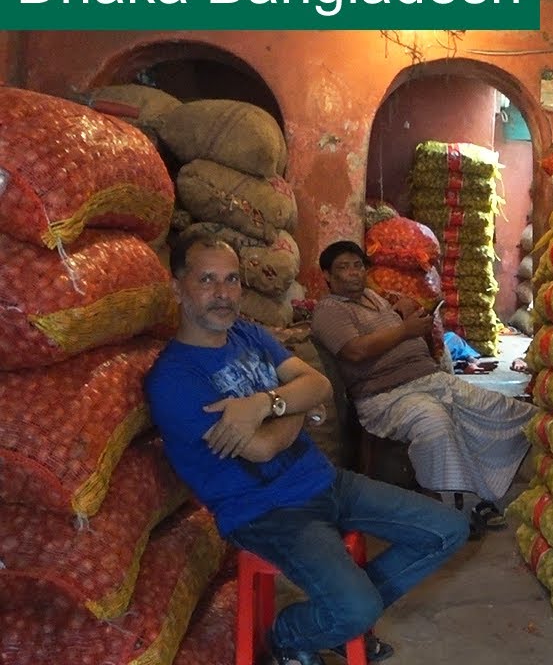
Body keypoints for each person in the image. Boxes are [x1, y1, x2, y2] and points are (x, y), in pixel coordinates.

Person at [144, 235, 470, 665]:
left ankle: (334, 617)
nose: (223, 294)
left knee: (448, 529)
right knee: (357, 608)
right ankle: (286, 636)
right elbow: (260, 448)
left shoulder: (247, 334)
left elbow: (319, 385)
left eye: (232, 279)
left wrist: (266, 403)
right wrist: (299, 408)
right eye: (207, 280)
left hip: (325, 480)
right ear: (177, 287)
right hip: (269, 512)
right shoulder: (174, 378)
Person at [310, 240, 536, 530]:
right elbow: (354, 351)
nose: (353, 273)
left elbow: (403, 310)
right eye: (343, 267)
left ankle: (485, 492)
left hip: (431, 380)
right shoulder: (330, 310)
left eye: (358, 266)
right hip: (387, 395)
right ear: (327, 276)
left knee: (511, 412)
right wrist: (405, 331)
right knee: (435, 425)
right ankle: (445, 511)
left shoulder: (374, 297)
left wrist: (405, 310)